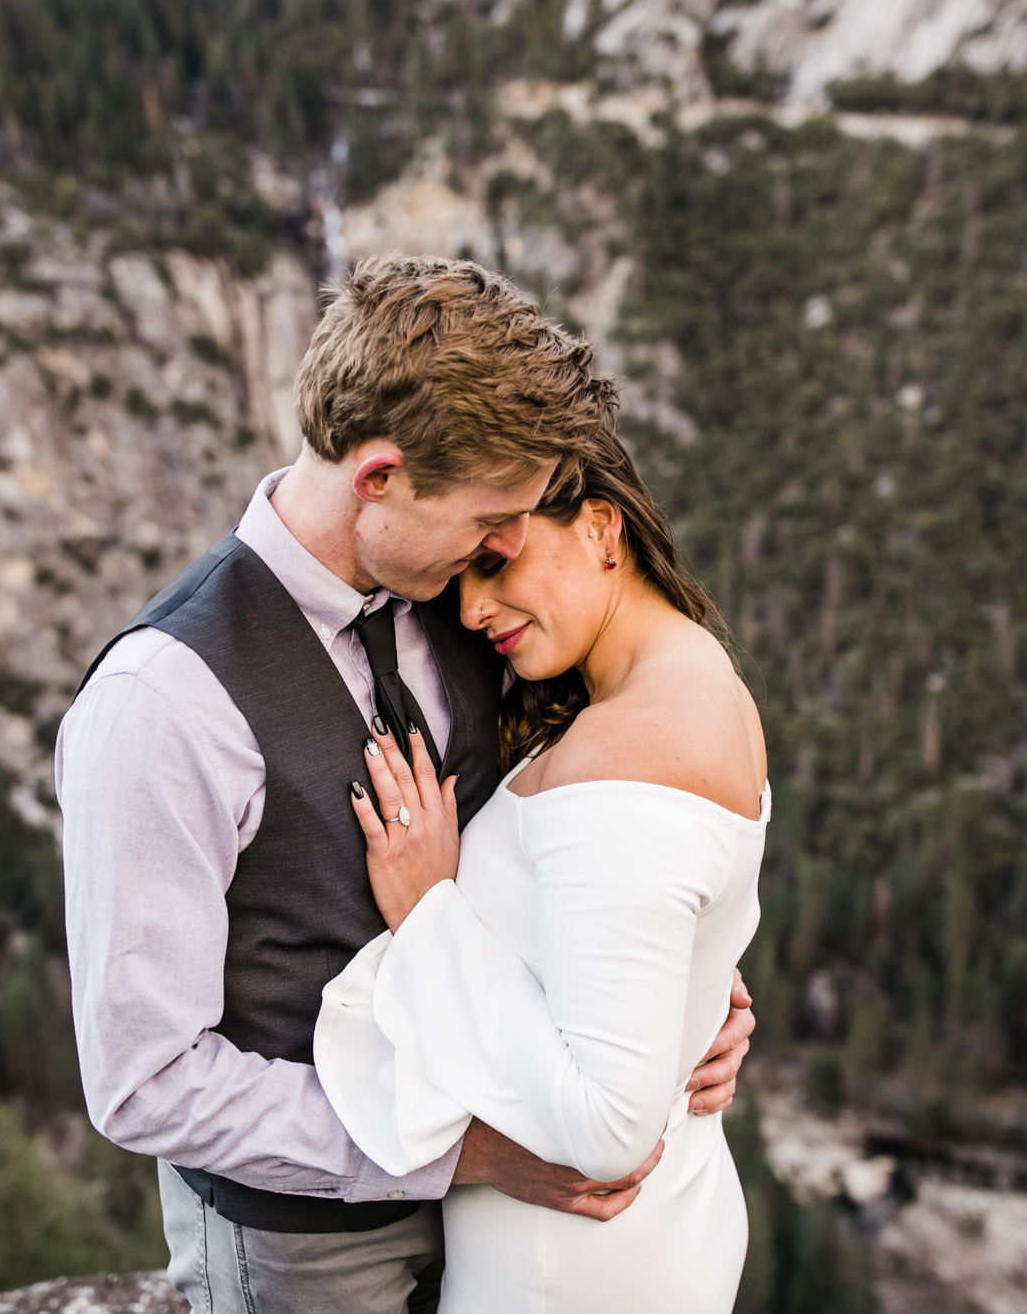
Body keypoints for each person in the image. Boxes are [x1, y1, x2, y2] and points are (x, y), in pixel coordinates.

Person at [57, 256, 756, 1314]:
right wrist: (455, 1152)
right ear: (378, 477)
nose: (505, 550)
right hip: (306, 1252)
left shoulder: (453, 598)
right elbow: (142, 1080)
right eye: (488, 520)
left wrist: (681, 994)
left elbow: (593, 857)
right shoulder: (163, 700)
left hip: (500, 1229)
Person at [313, 425, 767, 1312]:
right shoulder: (691, 680)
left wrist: (428, 912)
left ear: (602, 529)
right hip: (642, 1239)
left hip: (567, 1272)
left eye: (497, 564)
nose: (472, 610)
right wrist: (690, 996)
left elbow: (605, 1128)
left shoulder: (630, 747)